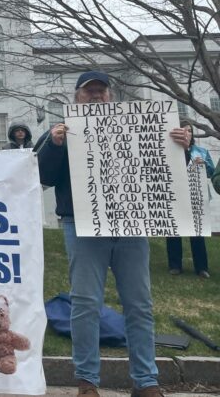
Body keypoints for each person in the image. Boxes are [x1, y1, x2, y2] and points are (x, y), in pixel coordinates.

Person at [34, 71, 189, 397]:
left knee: (140, 304)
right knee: (86, 304)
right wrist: (55, 144)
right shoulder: (58, 132)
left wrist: (181, 146)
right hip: (81, 225)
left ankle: (146, 381)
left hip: (130, 224)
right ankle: (87, 382)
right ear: (76, 97)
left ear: (111, 96)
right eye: (88, 92)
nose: (95, 96)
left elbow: (164, 166)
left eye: (101, 91)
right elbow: (41, 175)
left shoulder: (135, 124)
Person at [167, 120, 214, 278]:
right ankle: (175, 265)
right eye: (184, 130)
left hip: (196, 197)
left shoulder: (201, 151)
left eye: (189, 131)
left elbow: (211, 172)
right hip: (176, 196)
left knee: (197, 233)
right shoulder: (170, 151)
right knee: (174, 231)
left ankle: (201, 268)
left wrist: (203, 165)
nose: (187, 133)